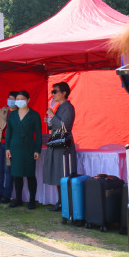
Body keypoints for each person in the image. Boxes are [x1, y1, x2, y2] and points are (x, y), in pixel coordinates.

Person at [5, 91, 42, 209]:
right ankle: (18, 199)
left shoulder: (34, 115)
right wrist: (7, 148)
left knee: (30, 174)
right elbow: (8, 133)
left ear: (28, 100)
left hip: (29, 148)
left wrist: (37, 150)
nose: (19, 101)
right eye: (17, 99)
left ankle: (32, 200)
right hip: (15, 148)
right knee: (17, 175)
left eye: (22, 98)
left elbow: (39, 135)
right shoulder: (12, 115)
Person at [43, 82, 76, 212]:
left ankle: (65, 203)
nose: (53, 94)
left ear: (64, 93)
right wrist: (49, 122)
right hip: (57, 143)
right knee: (58, 173)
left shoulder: (69, 107)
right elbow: (56, 125)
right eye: (52, 92)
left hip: (63, 145)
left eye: (55, 91)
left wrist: (52, 115)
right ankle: (60, 202)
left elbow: (65, 126)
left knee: (63, 173)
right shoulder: (60, 107)